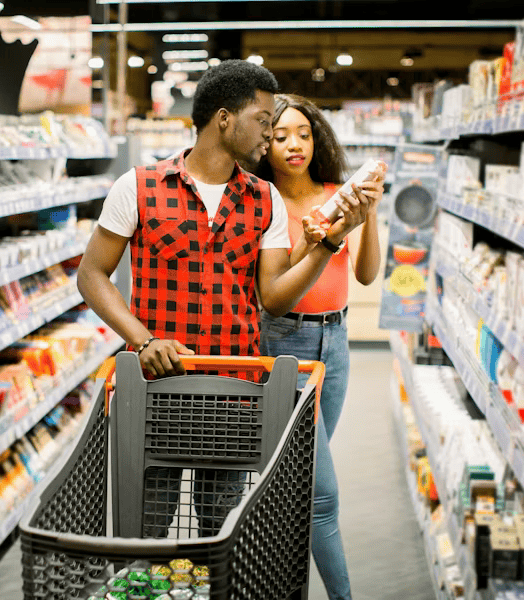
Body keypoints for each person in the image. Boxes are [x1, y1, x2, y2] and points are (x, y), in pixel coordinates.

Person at [76, 61, 376, 539]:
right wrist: (143, 339)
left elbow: (273, 299)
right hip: (156, 391)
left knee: (222, 533)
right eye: (263, 120)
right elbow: (92, 275)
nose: (270, 133)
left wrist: (328, 243)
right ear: (224, 119)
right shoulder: (137, 186)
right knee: (148, 528)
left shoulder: (264, 199)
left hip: (235, 394)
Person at [254, 93, 385, 600]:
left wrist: (367, 214)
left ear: (318, 140)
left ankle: (281, 582)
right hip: (285, 343)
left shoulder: (336, 194)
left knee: (301, 477)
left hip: (337, 341)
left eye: (304, 134)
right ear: (264, 144)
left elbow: (367, 275)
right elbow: (277, 288)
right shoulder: (262, 201)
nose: (294, 145)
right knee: (321, 493)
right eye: (281, 136)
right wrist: (315, 239)